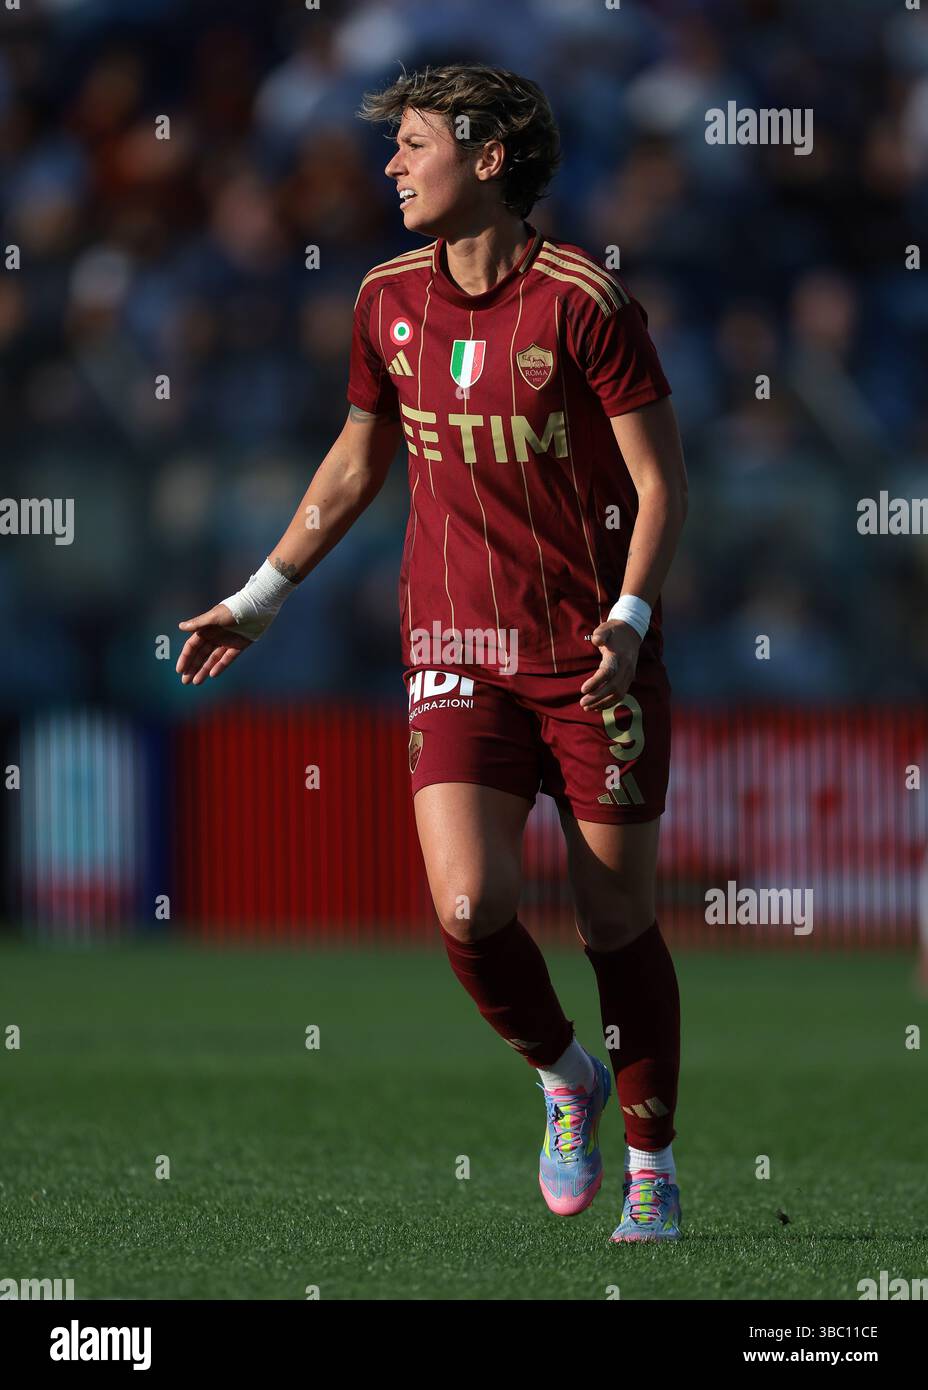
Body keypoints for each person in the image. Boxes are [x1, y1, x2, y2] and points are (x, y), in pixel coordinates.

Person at [176, 63, 688, 1243]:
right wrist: (261, 594)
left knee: (615, 922)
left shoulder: (586, 302)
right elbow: (360, 459)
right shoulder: (383, 299)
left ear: (489, 157)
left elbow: (661, 486)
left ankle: (653, 1168)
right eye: (394, 147)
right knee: (467, 903)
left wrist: (628, 620)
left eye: (411, 145)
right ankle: (567, 1077)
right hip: (454, 644)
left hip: (590, 653)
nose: (391, 166)